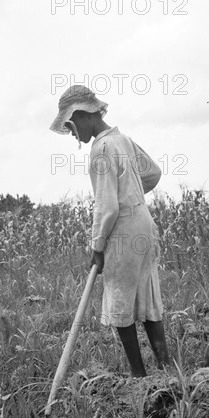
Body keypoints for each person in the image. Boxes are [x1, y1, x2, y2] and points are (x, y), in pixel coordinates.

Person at [50, 85, 170, 377]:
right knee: (146, 294)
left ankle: (138, 376)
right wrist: (133, 193)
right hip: (144, 221)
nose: (73, 134)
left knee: (119, 298)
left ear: (81, 114)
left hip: (123, 230)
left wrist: (97, 247)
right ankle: (168, 369)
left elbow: (107, 208)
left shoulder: (101, 149)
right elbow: (153, 172)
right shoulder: (122, 139)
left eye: (71, 125)